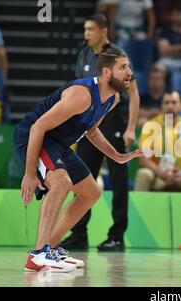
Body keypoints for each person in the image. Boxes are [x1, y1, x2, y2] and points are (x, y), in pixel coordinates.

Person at [14, 47, 142, 272]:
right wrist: (30, 172)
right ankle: (38, 255)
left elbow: (91, 131)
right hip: (34, 136)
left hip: (59, 144)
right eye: (123, 67)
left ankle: (50, 248)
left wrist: (118, 157)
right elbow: (38, 126)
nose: (129, 72)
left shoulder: (113, 99)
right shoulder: (81, 94)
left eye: (129, 66)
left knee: (91, 193)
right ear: (106, 72)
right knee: (62, 182)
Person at [59, 14, 140, 252]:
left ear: (104, 31)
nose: (86, 34)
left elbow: (133, 94)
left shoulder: (117, 56)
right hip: (88, 125)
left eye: (90, 29)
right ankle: (79, 234)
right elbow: (78, 91)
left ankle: (117, 236)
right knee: (83, 180)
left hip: (114, 122)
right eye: (84, 29)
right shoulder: (84, 54)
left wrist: (131, 128)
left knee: (118, 181)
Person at [134, 90, 181, 192]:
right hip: (158, 176)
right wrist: (162, 174)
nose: (170, 106)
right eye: (166, 103)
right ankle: (137, 208)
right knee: (143, 174)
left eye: (174, 102)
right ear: (161, 105)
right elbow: (143, 159)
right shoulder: (151, 126)